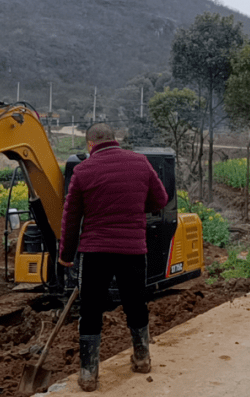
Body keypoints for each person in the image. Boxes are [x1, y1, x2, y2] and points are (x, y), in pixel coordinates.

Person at [58, 123, 168, 392]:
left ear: (89, 144)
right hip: (132, 250)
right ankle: (142, 358)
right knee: (135, 303)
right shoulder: (140, 163)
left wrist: (67, 255)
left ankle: (88, 374)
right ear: (115, 139)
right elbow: (161, 199)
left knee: (91, 309)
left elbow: (71, 218)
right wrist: (136, 206)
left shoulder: (83, 171)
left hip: (95, 252)